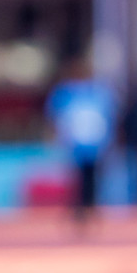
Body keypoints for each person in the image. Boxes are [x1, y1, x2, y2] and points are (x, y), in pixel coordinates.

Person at [46, 60, 117, 231]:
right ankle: (80, 209)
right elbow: (56, 116)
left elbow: (108, 116)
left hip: (93, 145)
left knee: (91, 179)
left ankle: (88, 208)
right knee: (78, 179)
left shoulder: (97, 93)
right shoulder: (68, 93)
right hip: (77, 145)